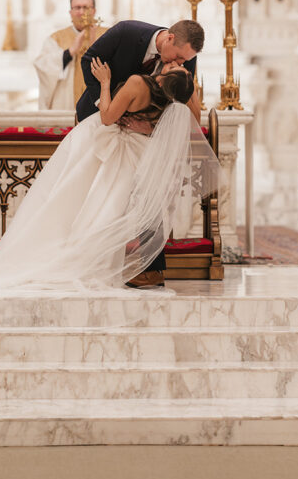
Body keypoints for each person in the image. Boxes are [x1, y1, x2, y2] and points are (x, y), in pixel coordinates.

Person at [0, 61, 219, 295]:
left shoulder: (137, 83)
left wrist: (104, 83)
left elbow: (107, 116)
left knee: (69, 196)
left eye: (174, 67)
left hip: (105, 141)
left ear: (165, 78)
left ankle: (62, 253)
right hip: (131, 153)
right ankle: (93, 257)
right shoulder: (172, 104)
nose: (172, 63)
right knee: (101, 205)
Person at [78, 19, 204, 287]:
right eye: (180, 57)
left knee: (149, 192)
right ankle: (87, 251)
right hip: (103, 120)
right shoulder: (127, 32)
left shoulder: (184, 62)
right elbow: (89, 60)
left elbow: (180, 104)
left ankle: (149, 268)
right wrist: (109, 104)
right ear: (169, 39)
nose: (182, 64)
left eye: (187, 60)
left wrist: (149, 123)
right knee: (96, 191)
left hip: (143, 134)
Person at [33, 0, 108, 110]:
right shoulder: (57, 38)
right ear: (70, 12)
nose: (82, 12)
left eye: (86, 7)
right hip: (66, 105)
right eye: (77, 8)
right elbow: (42, 65)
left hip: (103, 105)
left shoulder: (108, 35)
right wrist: (69, 52)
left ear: (94, 11)